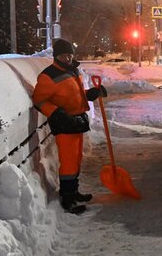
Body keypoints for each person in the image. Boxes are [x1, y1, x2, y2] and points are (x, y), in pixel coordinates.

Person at [32, 39, 107, 214]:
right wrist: (56, 113)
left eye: (70, 55)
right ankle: (67, 198)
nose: (67, 58)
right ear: (56, 56)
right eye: (63, 55)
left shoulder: (72, 71)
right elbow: (39, 99)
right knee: (68, 162)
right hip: (64, 123)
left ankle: (74, 191)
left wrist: (90, 94)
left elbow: (76, 94)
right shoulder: (48, 76)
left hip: (76, 120)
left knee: (76, 158)